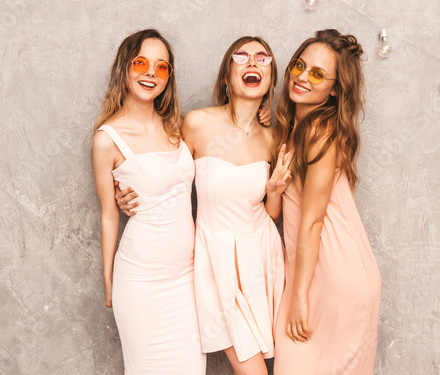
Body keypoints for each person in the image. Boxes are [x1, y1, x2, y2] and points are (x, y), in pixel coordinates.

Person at [116, 36, 290, 375]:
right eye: (242, 56)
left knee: (270, 364)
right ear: (226, 77)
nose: (253, 62)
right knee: (253, 370)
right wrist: (126, 191)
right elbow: (161, 167)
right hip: (214, 259)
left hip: (261, 258)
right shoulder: (196, 123)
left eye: (263, 59)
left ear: (270, 81)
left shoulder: (274, 137)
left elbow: (272, 212)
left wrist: (274, 191)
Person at [91, 29, 206, 375]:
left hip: (187, 278)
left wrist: (261, 114)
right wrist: (109, 282)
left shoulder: (178, 128)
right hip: (139, 281)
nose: (150, 74)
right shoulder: (106, 140)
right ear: (125, 68)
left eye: (161, 67)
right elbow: (109, 216)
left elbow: (226, 135)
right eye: (141, 62)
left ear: (169, 77)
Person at [269, 29, 382, 374]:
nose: (303, 77)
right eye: (299, 66)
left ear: (334, 88)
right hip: (306, 269)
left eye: (317, 73)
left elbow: (314, 220)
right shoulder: (291, 128)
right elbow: (279, 210)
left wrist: (300, 296)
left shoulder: (322, 131)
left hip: (334, 274)